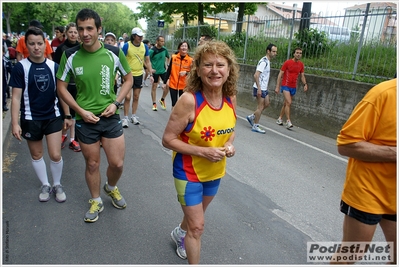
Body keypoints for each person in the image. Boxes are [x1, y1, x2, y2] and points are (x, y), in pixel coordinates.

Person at [162, 40, 239, 264]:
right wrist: (202, 152)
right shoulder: (189, 100)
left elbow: (230, 131)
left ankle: (179, 234)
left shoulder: (230, 97)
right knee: (197, 226)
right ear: (198, 69)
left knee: (194, 217)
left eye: (220, 65)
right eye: (207, 65)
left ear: (229, 69)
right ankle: (187, 241)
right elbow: (167, 140)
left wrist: (230, 145)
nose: (214, 71)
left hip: (214, 173)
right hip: (188, 173)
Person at [56, 8, 133, 223]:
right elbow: (61, 87)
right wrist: (79, 111)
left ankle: (110, 187)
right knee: (92, 164)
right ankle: (96, 199)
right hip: (84, 119)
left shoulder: (113, 53)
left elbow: (128, 79)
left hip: (109, 117)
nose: (84, 33)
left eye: (90, 28)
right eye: (80, 29)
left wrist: (116, 102)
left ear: (99, 29)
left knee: (117, 164)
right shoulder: (69, 55)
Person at [333, 78, 397, 264]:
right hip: (368, 192)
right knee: (351, 255)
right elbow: (345, 144)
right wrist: (394, 153)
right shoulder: (383, 94)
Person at [9, 27, 71, 203]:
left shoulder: (54, 67)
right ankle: (45, 184)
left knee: (55, 155)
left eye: (39, 43)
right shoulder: (21, 68)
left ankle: (57, 184)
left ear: (46, 45)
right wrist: (15, 123)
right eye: (32, 44)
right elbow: (15, 98)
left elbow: (62, 93)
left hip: (52, 117)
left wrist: (67, 115)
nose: (36, 47)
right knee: (36, 155)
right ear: (26, 45)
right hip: (30, 118)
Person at [53, 22, 81, 152]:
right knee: (65, 113)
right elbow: (56, 67)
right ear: (66, 33)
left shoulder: (81, 48)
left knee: (74, 112)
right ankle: (63, 135)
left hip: (78, 85)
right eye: (71, 32)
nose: (73, 34)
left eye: (75, 32)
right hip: (64, 85)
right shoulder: (61, 49)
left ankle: (72, 139)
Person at [121, 27, 154, 127]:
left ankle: (134, 116)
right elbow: (121, 60)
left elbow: (147, 61)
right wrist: (121, 74)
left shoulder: (145, 47)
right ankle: (125, 118)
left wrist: (151, 74)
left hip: (139, 74)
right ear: (134, 36)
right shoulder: (127, 46)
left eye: (141, 36)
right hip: (128, 74)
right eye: (138, 36)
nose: (140, 37)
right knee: (127, 97)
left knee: (136, 97)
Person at [246, 43, 278, 134]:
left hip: (264, 88)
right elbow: (256, 75)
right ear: (268, 51)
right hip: (259, 88)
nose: (275, 53)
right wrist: (259, 88)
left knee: (267, 103)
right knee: (260, 107)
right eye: (273, 51)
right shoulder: (264, 62)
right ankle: (255, 125)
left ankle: (252, 116)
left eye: (276, 52)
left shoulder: (268, 61)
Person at [274, 47, 308, 129]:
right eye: (297, 53)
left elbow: (302, 76)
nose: (298, 54)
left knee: (286, 103)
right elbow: (280, 74)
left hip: (293, 86)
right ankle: (288, 121)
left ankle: (280, 118)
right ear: (294, 54)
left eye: (300, 53)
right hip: (285, 85)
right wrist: (277, 86)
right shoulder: (287, 63)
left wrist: (305, 84)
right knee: (289, 102)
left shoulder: (301, 65)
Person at [165, 41, 193, 109]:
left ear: (188, 49)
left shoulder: (190, 60)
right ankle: (173, 118)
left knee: (181, 105)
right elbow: (169, 70)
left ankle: (180, 118)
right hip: (173, 84)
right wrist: (164, 82)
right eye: (182, 46)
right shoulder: (174, 57)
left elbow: (193, 73)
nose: (184, 47)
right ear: (179, 48)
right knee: (174, 104)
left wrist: (186, 72)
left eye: (185, 46)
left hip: (183, 85)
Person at [149, 35, 169, 111]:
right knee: (154, 87)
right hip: (155, 71)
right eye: (161, 41)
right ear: (157, 41)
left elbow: (168, 57)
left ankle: (162, 99)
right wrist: (151, 69)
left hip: (163, 70)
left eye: (163, 41)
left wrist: (167, 65)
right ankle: (154, 103)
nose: (163, 42)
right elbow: (147, 60)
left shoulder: (164, 50)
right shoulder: (152, 51)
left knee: (168, 85)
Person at [2, 44, 12, 111]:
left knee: (2, 92)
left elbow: (11, 71)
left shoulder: (6, 61)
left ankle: (3, 104)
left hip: (3, 80)